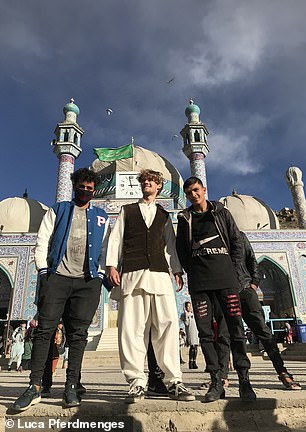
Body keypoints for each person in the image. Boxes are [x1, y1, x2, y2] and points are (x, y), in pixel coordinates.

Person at [13, 168, 110, 411]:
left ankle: (71, 385)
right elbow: (43, 240)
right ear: (74, 185)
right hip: (57, 277)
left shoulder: (101, 216)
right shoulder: (58, 209)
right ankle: (35, 386)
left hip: (87, 282)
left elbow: (107, 248)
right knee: (44, 331)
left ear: (95, 190)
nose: (85, 190)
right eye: (81, 186)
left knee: (78, 335)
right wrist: (44, 271)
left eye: (89, 188)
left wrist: (99, 274)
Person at [107, 169, 195, 403]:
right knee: (132, 330)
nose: (147, 183)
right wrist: (111, 266)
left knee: (167, 326)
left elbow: (170, 246)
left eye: (152, 181)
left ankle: (174, 381)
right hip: (133, 274)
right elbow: (115, 239)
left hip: (159, 275)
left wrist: (177, 270)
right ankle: (136, 382)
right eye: (144, 180)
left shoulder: (165, 215)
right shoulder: (127, 211)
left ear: (158, 187)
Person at [176, 176, 256, 403]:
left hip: (226, 281)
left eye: (196, 190)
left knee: (235, 330)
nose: (193, 194)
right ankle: (216, 381)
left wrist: (235, 271)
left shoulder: (222, 213)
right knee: (206, 334)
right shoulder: (185, 218)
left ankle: (244, 381)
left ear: (204, 189)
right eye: (189, 192)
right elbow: (181, 249)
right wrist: (190, 272)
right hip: (200, 284)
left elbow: (236, 242)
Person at [214, 231, 301, 390]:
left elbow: (251, 258)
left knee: (263, 331)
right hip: (223, 291)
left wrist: (254, 283)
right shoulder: (212, 236)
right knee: (223, 333)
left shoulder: (238, 236)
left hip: (245, 289)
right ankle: (222, 377)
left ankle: (283, 372)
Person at [181, 301, 199, 369]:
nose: (189, 307)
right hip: (190, 332)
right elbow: (186, 323)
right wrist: (186, 315)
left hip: (196, 331)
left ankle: (194, 361)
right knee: (192, 346)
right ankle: (190, 362)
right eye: (188, 306)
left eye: (190, 306)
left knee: (196, 347)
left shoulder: (194, 314)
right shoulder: (184, 315)